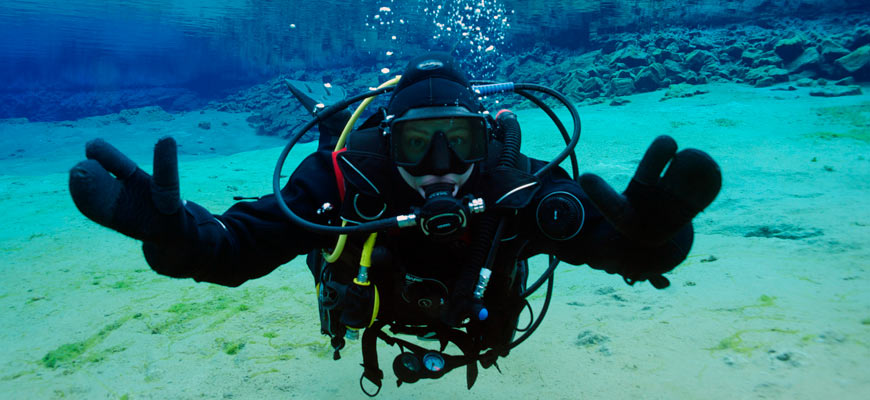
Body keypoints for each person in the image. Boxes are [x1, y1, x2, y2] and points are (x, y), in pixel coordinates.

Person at [68, 52, 721, 395]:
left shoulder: (516, 188)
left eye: (459, 142)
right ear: (387, 143)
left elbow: (619, 245)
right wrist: (182, 238)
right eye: (417, 145)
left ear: (486, 142)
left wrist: (656, 240)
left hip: (478, 315)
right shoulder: (344, 182)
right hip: (371, 296)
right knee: (326, 248)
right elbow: (238, 246)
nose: (441, 166)